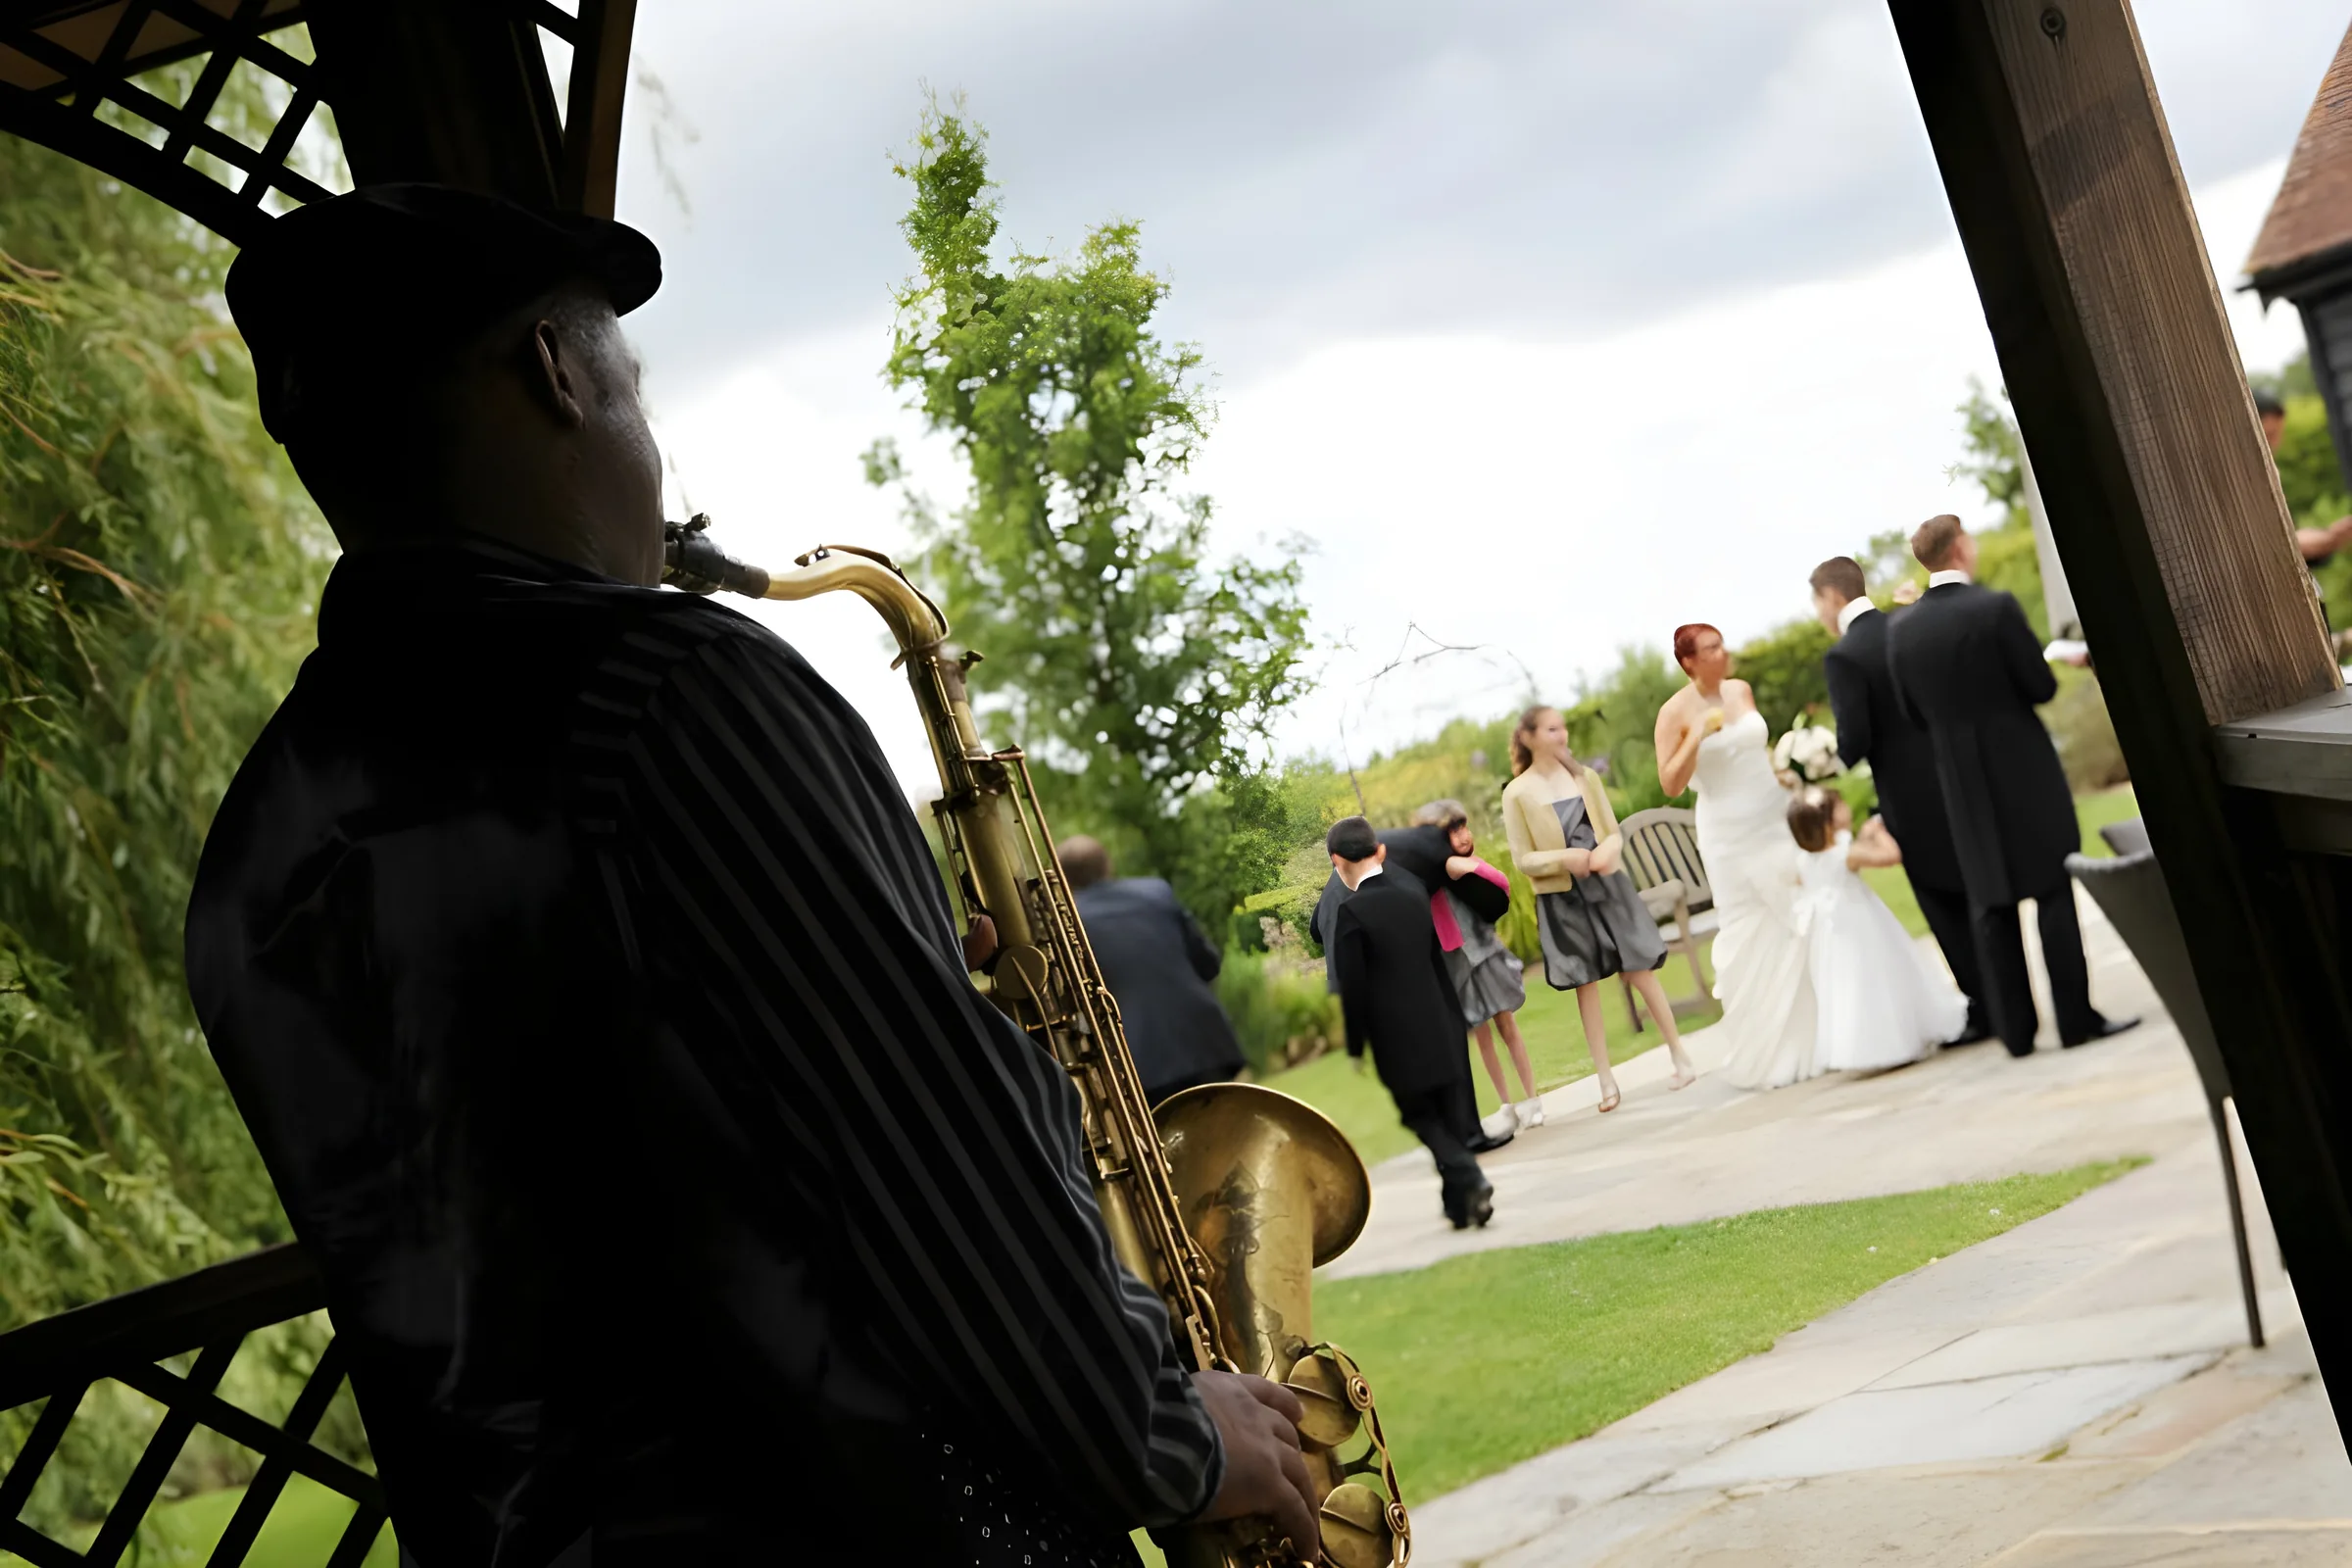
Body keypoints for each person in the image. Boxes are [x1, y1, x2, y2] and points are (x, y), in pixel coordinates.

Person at [184, 185, 1319, 1566]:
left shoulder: (251, 855)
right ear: (554, 367)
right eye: (632, 387)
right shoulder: (676, 690)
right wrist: (1175, 1438)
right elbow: (943, 1179)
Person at [1886, 514, 2137, 1058]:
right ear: (1960, 549)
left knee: (1990, 906)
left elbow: (1912, 714)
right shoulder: (1994, 608)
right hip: (2022, 769)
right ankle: (2076, 1022)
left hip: (1958, 782)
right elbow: (2040, 685)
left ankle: (2017, 1035)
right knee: (2051, 889)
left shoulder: (1901, 631)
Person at [1809, 556, 1991, 1046]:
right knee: (1975, 886)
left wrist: (1826, 756)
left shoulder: (1843, 656)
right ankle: (2003, 994)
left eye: (1818, 604)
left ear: (1830, 597)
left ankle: (1982, 1007)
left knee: (1939, 899)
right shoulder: (1905, 624)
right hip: (1952, 776)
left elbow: (1856, 739)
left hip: (1906, 796)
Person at [1501, 706, 1698, 1111]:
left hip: (1608, 886)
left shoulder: (1584, 777)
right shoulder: (1517, 792)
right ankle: (1606, 1081)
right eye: (1552, 728)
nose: (1562, 734)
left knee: (1639, 971)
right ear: (1530, 736)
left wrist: (1605, 853)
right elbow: (1524, 859)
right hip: (1563, 897)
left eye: (1563, 727)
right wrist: (1565, 859)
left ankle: (1680, 1055)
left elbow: (1612, 833)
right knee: (1586, 986)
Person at [1651, 631, 1820, 1090]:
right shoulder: (1674, 712)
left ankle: (1822, 1031)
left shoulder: (1740, 690)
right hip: (1727, 833)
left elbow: (1752, 748)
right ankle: (1770, 1047)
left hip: (1771, 816)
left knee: (1798, 910)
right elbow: (1670, 781)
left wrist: (1783, 772)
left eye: (1722, 646)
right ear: (1688, 662)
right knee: (1751, 925)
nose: (1722, 655)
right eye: (1711, 650)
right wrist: (1696, 736)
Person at [1325, 816, 1495, 1229]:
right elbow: (1437, 964)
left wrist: (1354, 1046)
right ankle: (1460, 1205)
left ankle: (1471, 1178)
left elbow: (1355, 992)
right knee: (1447, 1114)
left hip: (1396, 1038)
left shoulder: (1351, 914)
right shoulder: (1414, 892)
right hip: (1439, 1019)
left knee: (1418, 1115)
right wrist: (1455, 1018)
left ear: (1336, 861)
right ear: (1380, 850)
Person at [1308, 821, 1514, 1152]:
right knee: (1448, 1034)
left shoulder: (1342, 881)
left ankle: (1454, 1138)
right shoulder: (1418, 855)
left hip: (1369, 968)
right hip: (1406, 962)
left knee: (1418, 1061)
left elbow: (1316, 930)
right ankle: (1467, 1136)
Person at [1786, 788, 1969, 1071]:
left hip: (1831, 933)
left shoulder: (1806, 860)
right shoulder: (1845, 854)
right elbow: (1890, 856)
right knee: (1880, 975)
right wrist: (1879, 832)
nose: (1846, 807)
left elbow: (1809, 878)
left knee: (1848, 985)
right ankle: (1894, 1040)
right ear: (1828, 822)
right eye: (1839, 806)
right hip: (1861, 922)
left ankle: (1859, 1047)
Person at [1061, 836, 1247, 1104]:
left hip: (1140, 1063)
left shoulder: (1071, 922)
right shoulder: (1156, 891)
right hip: (1204, 1039)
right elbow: (1208, 964)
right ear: (1107, 865)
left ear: (1064, 878)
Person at [1409, 799, 1541, 1134]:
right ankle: (1507, 1104)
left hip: (1484, 955)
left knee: (1507, 1026)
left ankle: (1532, 1099)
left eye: (1463, 827)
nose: (1463, 836)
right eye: (1453, 832)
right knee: (1482, 1037)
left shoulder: (1466, 868)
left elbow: (1500, 882)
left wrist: (1467, 866)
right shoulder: (1429, 880)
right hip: (1456, 964)